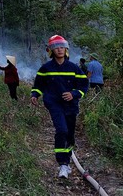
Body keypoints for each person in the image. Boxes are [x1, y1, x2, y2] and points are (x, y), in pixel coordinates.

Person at [30, 35, 89, 179]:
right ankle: (63, 164)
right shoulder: (46, 68)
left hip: (70, 106)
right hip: (54, 104)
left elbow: (84, 85)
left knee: (69, 135)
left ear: (66, 49)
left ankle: (67, 158)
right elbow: (39, 84)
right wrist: (35, 95)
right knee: (61, 130)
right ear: (50, 50)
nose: (59, 50)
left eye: (62, 47)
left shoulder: (73, 68)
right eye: (56, 48)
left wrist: (74, 94)